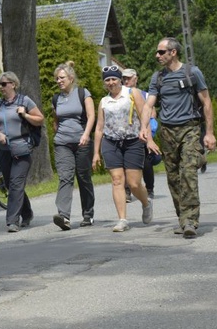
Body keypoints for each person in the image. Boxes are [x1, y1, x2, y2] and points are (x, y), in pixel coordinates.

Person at [141, 37, 217, 238]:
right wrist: (144, 129)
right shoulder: (157, 78)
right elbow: (148, 105)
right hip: (167, 133)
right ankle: (183, 218)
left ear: (173, 52)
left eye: (161, 52)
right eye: (157, 52)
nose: (157, 55)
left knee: (188, 173)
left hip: (190, 129)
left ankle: (191, 220)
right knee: (174, 177)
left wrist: (209, 133)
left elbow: (206, 101)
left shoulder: (192, 72)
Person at [92, 65, 155, 232]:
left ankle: (146, 203)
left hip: (133, 141)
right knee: (117, 180)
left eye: (113, 79)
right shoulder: (104, 102)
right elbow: (99, 128)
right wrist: (95, 153)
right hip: (111, 143)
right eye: (107, 80)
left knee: (134, 184)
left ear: (120, 79)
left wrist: (149, 139)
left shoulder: (132, 93)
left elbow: (144, 116)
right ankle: (122, 219)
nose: (111, 82)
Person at [0, 71, 44, 233]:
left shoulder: (24, 101)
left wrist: (25, 114)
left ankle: (12, 221)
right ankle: (27, 213)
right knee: (11, 184)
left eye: (4, 84)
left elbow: (40, 119)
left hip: (22, 149)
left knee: (16, 184)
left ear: (13, 84)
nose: (1, 87)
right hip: (4, 150)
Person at [51, 62, 96, 230]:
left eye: (61, 78)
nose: (58, 81)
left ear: (70, 78)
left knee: (83, 177)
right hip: (62, 143)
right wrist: (57, 135)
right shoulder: (56, 99)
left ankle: (88, 214)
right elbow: (56, 121)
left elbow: (91, 116)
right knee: (65, 177)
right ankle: (63, 216)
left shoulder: (83, 93)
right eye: (57, 78)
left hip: (81, 141)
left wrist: (85, 135)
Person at [122, 68, 156, 200]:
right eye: (124, 78)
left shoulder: (145, 95)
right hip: (125, 134)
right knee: (124, 164)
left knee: (146, 162)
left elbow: (152, 114)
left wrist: (148, 133)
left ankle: (149, 188)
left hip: (141, 134)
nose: (126, 81)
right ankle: (127, 191)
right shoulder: (118, 95)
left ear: (135, 79)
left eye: (128, 78)